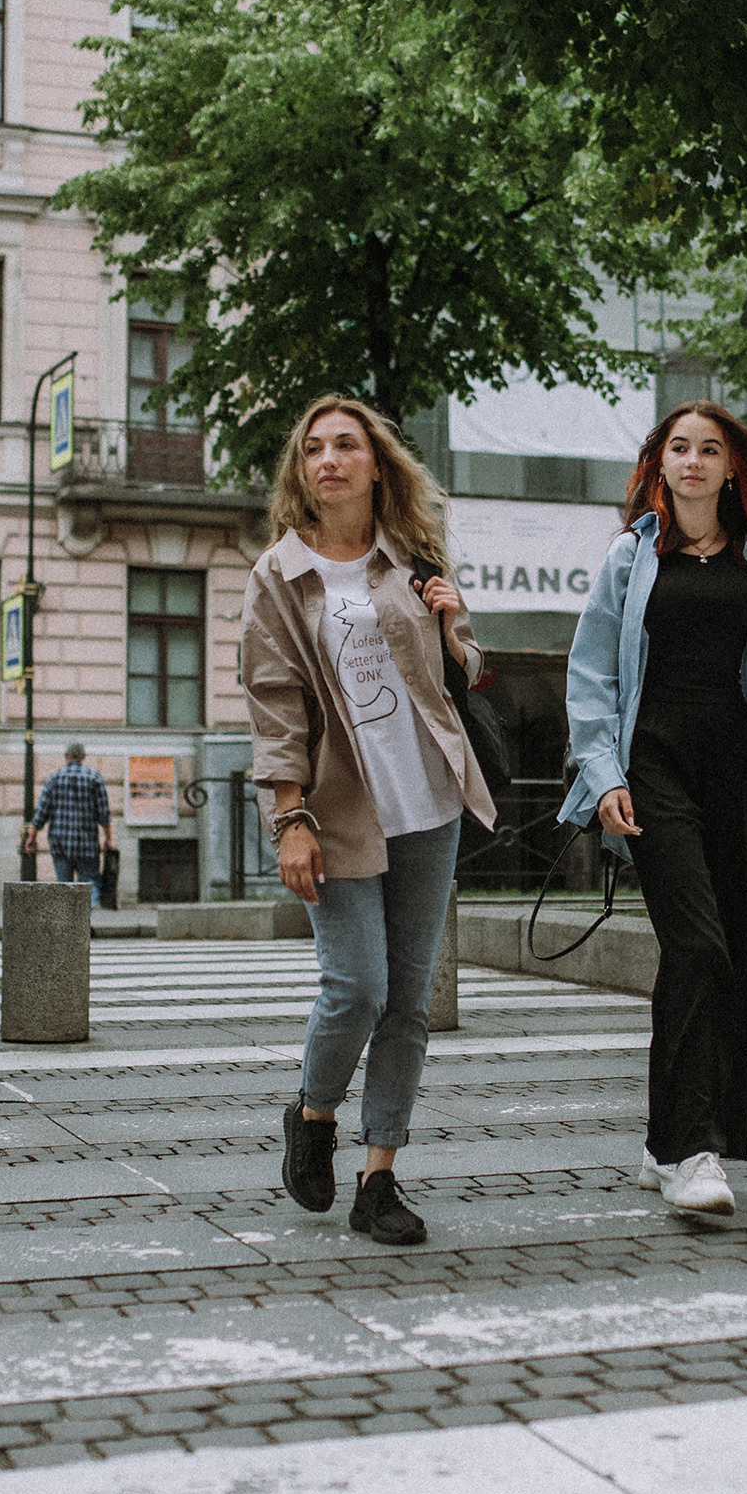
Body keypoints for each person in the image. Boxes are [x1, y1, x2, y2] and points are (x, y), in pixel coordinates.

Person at [562, 399, 747, 1218]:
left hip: (730, 761)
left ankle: (661, 1142)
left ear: (730, 467)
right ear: (660, 463)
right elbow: (593, 674)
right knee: (699, 940)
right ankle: (693, 1151)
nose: (694, 461)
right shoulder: (629, 557)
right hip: (653, 762)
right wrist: (604, 774)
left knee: (714, 951)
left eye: (710, 449)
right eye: (680, 447)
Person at [243, 393, 497, 1247]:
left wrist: (453, 623)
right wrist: (290, 817)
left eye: (347, 445)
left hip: (428, 801)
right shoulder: (277, 575)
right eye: (314, 448)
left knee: (409, 1004)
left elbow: (460, 672)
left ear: (376, 464)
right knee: (358, 985)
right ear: (301, 470)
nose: (329, 460)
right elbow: (275, 703)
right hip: (339, 808)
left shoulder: (408, 556)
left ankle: (379, 1176)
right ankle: (314, 1113)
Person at [23, 743, 114, 905]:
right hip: (87, 845)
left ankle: (69, 925)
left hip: (60, 844)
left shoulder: (54, 778)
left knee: (64, 887)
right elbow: (104, 815)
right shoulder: (95, 779)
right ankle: (83, 921)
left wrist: (32, 837)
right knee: (88, 887)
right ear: (83, 757)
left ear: (66, 756)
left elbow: (41, 812)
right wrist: (108, 839)